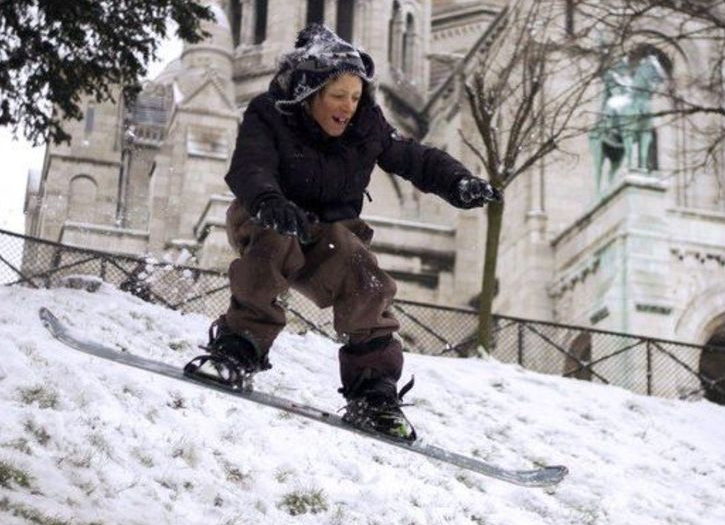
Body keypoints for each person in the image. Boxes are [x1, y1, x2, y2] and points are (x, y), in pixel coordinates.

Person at [184, 24, 500, 441]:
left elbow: (414, 158)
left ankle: (373, 391)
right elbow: (251, 164)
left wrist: (458, 182)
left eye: (355, 96)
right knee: (274, 244)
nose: (348, 107)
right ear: (310, 93)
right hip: (267, 214)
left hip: (329, 231)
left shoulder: (367, 125)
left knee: (363, 275)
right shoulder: (269, 113)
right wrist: (269, 201)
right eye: (337, 96)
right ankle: (239, 348)